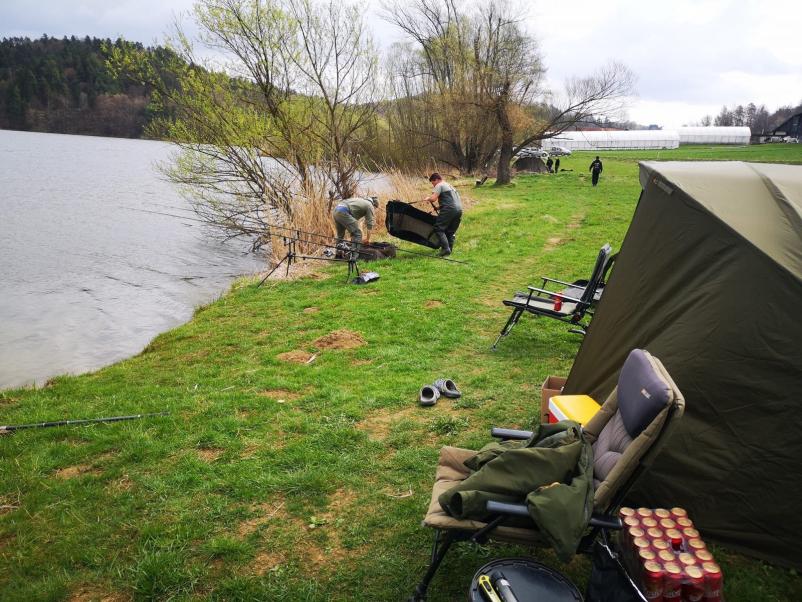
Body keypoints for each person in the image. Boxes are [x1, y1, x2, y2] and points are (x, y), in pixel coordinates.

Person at [421, 173, 462, 256]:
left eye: (433, 183)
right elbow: (451, 201)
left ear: (436, 180)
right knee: (450, 230)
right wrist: (439, 208)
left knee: (438, 228)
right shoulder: (450, 186)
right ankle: (449, 249)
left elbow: (433, 199)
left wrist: (428, 198)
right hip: (459, 210)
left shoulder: (439, 185)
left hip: (449, 210)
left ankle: (446, 249)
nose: (433, 185)